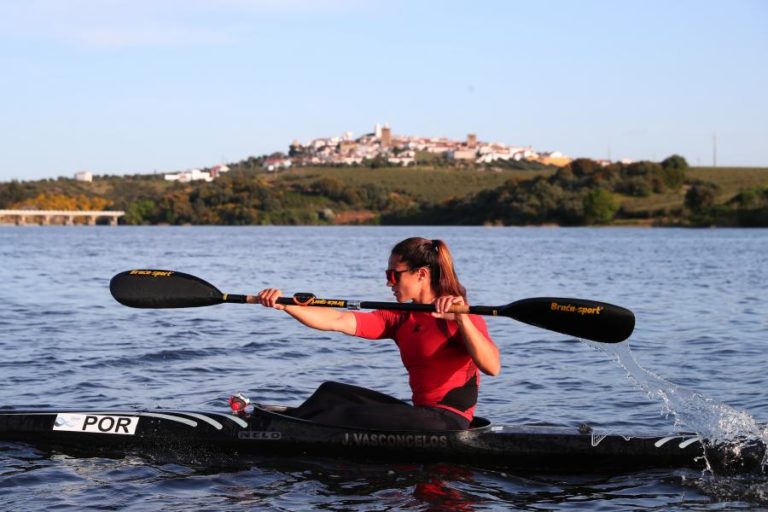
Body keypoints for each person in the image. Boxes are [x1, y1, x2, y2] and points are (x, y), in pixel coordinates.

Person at [250, 237, 500, 431]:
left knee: (346, 413)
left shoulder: (460, 314)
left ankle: (278, 431)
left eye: (394, 275)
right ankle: (280, 426)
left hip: (449, 421)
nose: (389, 283)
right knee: (331, 393)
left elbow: (492, 367)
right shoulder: (399, 318)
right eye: (387, 276)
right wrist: (285, 304)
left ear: (421, 274)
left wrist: (462, 319)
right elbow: (336, 319)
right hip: (422, 415)